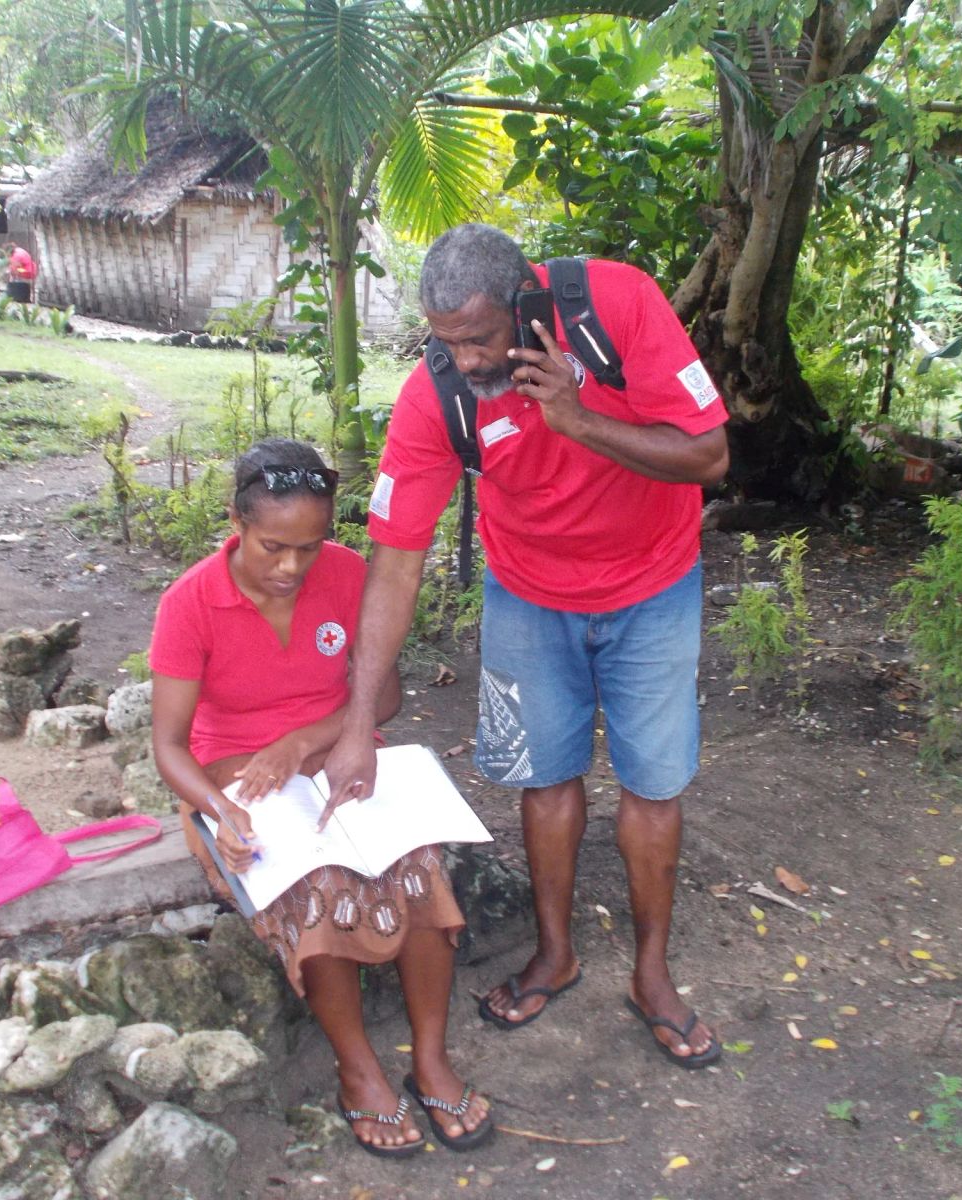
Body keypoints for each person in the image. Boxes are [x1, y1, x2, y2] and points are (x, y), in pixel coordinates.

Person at [323, 224, 732, 1070]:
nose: (467, 359)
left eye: (480, 337)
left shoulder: (616, 306)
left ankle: (652, 974)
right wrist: (357, 720)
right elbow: (395, 565)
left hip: (653, 586)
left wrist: (574, 418)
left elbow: (709, 455)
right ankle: (555, 953)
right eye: (446, 341)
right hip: (528, 597)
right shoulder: (436, 396)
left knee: (653, 786)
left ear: (527, 302)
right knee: (545, 782)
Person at [150, 438, 493, 1157]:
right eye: (274, 546)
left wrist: (307, 741)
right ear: (235, 522)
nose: (290, 567)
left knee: (415, 866)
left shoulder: (345, 575)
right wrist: (222, 812)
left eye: (308, 547)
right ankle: (359, 1070)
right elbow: (170, 747)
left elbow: (386, 693)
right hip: (235, 787)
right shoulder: (191, 603)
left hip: (334, 758)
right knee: (318, 884)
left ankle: (430, 1056)